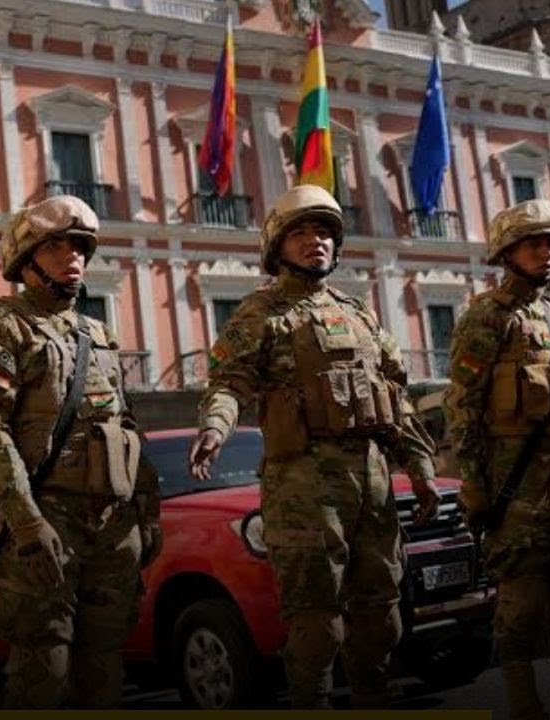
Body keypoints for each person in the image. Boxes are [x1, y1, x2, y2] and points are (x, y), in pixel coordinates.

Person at [188, 184, 439, 709]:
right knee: (316, 621)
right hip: (303, 485)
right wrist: (215, 428)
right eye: (300, 233)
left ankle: (373, 696)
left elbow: (396, 399)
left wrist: (420, 470)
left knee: (382, 613)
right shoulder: (260, 313)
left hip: (371, 481)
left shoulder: (360, 315)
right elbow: (229, 383)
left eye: (323, 232)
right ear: (277, 246)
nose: (315, 241)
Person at [0, 195, 162, 708]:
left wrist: (147, 510)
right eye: (55, 247)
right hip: (48, 518)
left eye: (79, 247)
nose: (72, 257)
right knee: (43, 666)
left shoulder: (99, 335)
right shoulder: (4, 327)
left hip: (112, 523)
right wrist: (27, 523)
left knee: (104, 664)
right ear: (26, 261)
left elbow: (125, 425)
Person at [443, 199, 550, 720]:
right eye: (533, 244)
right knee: (521, 603)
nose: (546, 253)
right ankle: (525, 706)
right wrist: (474, 484)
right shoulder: (487, 317)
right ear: (507, 253)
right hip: (513, 480)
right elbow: (463, 405)